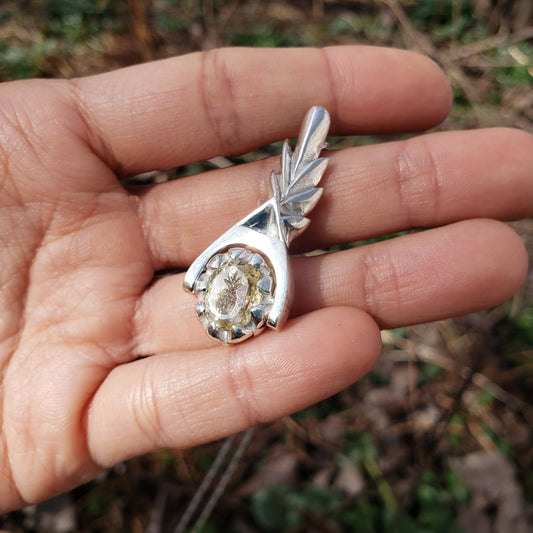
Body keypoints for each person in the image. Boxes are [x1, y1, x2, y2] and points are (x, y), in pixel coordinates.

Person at [0, 45, 531, 513]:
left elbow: (236, 282)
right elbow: (224, 276)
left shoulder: (263, 249)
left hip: (263, 241)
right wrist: (225, 288)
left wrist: (247, 296)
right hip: (258, 244)